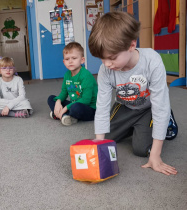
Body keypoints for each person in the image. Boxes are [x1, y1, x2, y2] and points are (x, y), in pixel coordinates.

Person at [88, 11, 178, 175]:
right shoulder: (105, 70)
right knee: (105, 138)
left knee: (141, 149)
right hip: (124, 105)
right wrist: (98, 147)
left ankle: (166, 119)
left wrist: (156, 156)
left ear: (131, 45)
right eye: (102, 59)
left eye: (112, 57)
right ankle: (133, 127)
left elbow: (160, 106)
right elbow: (102, 106)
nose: (107, 64)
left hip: (148, 108)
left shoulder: (152, 61)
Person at [47, 42, 98, 126]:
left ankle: (62, 114)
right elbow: (64, 92)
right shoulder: (67, 75)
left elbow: (86, 100)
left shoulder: (86, 75)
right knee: (52, 99)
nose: (70, 61)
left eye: (74, 58)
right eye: (67, 59)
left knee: (75, 108)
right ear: (64, 62)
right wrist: (58, 102)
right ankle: (66, 116)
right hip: (74, 103)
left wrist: (66, 108)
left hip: (90, 108)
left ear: (82, 60)